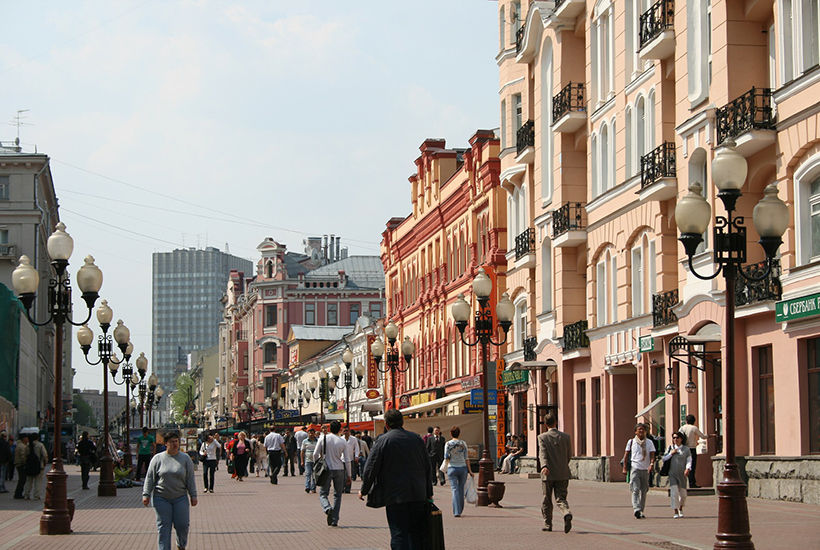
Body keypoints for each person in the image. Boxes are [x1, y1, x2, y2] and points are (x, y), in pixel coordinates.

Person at [359, 408, 433, 550]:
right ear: (402, 422)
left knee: (399, 533)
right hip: (417, 493)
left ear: (386, 424)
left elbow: (371, 466)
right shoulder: (416, 439)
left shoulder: (383, 440)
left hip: (395, 495)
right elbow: (427, 466)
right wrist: (429, 491)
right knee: (416, 533)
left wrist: (364, 490)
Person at [142, 431, 197, 550]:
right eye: (172, 442)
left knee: (183, 525)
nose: (175, 444)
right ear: (166, 444)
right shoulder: (158, 459)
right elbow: (150, 477)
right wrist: (146, 494)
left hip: (180, 497)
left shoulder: (185, 458)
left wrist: (193, 495)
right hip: (161, 498)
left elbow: (190, 479)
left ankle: (181, 544)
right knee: (164, 527)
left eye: (176, 441)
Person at [537, 414, 573, 533]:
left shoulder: (542, 437)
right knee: (561, 497)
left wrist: (544, 466)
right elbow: (569, 455)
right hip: (563, 473)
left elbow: (542, 453)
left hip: (548, 473)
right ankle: (566, 512)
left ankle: (548, 524)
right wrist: (563, 466)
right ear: (556, 422)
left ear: (545, 424)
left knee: (547, 499)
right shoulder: (566, 437)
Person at [313, 420, 350, 527]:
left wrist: (317, 464)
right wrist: (349, 475)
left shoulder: (323, 438)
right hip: (339, 469)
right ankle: (335, 519)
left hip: (326, 469)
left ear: (329, 429)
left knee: (323, 493)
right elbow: (347, 459)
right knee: (338, 495)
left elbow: (315, 454)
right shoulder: (342, 441)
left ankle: (327, 508)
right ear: (340, 429)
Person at [622, 422, 656, 519]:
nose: (641, 431)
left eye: (643, 429)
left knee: (644, 491)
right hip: (635, 468)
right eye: (639, 429)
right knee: (635, 489)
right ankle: (636, 509)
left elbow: (652, 455)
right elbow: (626, 455)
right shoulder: (631, 442)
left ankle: (641, 510)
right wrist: (625, 467)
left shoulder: (649, 442)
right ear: (635, 432)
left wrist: (651, 464)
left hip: (645, 469)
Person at [444, 426, 473, 518]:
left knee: (454, 489)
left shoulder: (448, 444)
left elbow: (446, 457)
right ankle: (460, 509)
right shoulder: (463, 443)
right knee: (461, 489)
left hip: (452, 468)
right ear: (459, 434)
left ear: (451, 434)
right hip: (462, 468)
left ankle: (456, 511)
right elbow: (466, 458)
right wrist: (470, 471)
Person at [662, 431, 692, 518]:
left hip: (682, 474)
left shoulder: (686, 449)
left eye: (677, 437)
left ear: (681, 439)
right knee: (674, 492)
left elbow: (689, 460)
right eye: (674, 438)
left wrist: (688, 468)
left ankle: (680, 508)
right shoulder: (670, 448)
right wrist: (671, 453)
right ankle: (675, 511)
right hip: (673, 474)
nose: (675, 439)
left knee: (683, 495)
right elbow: (664, 459)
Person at [680, 415, 706, 488]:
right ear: (694, 421)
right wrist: (710, 436)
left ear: (686, 421)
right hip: (692, 449)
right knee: (692, 466)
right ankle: (692, 483)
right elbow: (703, 436)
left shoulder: (682, 428)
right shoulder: (694, 428)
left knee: (684, 465)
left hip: (684, 449)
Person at [23, 432, 48, 500]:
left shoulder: (28, 445)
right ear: (38, 438)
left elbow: (25, 454)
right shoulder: (40, 445)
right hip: (39, 465)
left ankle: (26, 494)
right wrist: (44, 462)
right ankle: (36, 495)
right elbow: (44, 455)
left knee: (29, 480)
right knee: (38, 481)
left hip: (29, 465)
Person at [340, 424, 360, 492]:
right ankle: (342, 487)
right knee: (342, 474)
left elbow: (357, 448)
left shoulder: (353, 439)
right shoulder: (341, 439)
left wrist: (356, 456)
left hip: (350, 459)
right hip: (342, 459)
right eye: (344, 431)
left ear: (349, 431)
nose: (346, 432)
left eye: (347, 431)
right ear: (342, 432)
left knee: (349, 474)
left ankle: (348, 489)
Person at [301, 426, 318, 493]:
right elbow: (302, 451)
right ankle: (307, 487)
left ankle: (313, 488)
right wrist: (302, 461)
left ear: (314, 434)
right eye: (309, 433)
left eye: (312, 433)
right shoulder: (305, 441)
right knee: (308, 473)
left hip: (315, 460)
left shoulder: (318, 441)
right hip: (308, 460)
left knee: (314, 475)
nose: (311, 434)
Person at [12, 433, 29, 499]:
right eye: (26, 438)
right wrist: (25, 462)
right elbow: (23, 456)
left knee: (21, 479)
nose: (27, 439)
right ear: (24, 439)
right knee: (22, 479)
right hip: (21, 464)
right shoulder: (22, 446)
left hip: (18, 463)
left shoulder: (19, 445)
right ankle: (18, 493)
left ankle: (18, 493)